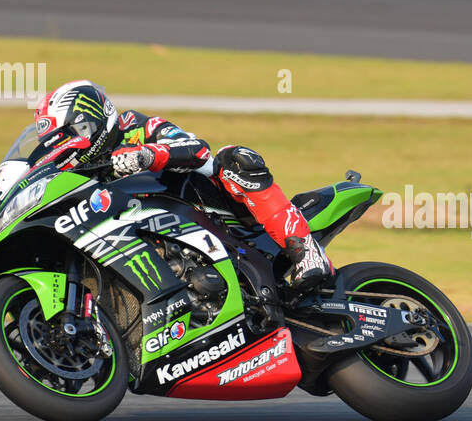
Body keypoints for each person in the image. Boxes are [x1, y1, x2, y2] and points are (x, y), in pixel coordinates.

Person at [32, 79, 332, 289]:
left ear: (93, 120)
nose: (73, 146)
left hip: (217, 211)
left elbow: (196, 149)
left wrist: (147, 156)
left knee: (235, 158)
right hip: (159, 240)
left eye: (75, 133)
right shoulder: (83, 172)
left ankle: (306, 252)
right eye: (62, 142)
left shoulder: (139, 128)